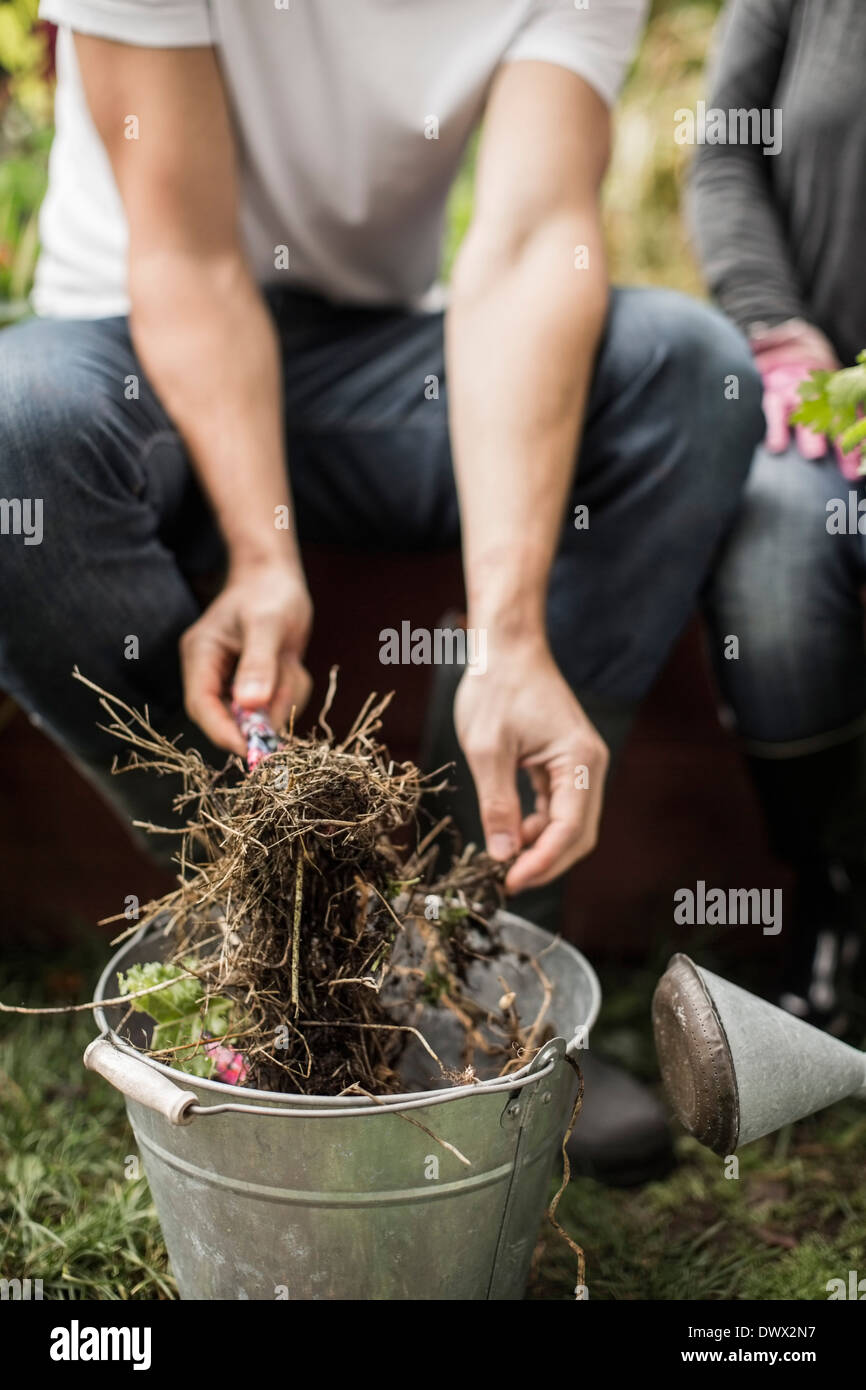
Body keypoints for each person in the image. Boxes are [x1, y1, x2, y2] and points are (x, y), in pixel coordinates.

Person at [0, 1, 763, 1180]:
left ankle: (469, 969)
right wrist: (264, 555)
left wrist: (509, 635)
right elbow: (189, 252)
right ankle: (278, 953)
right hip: (131, 363)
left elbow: (524, 242)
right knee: (12, 430)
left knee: (678, 368)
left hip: (371, 365)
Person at [691, 0, 866, 1034]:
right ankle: (827, 893)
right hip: (815, 412)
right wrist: (775, 329)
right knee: (770, 538)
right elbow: (722, 153)